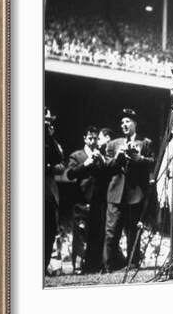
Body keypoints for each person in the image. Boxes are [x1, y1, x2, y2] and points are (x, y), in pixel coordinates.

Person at [102, 109, 155, 272]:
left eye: (127, 121)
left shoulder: (145, 143)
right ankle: (108, 266)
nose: (124, 125)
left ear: (135, 124)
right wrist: (118, 157)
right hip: (116, 193)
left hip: (135, 193)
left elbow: (153, 161)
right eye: (122, 122)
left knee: (133, 232)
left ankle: (133, 263)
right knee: (112, 232)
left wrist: (140, 159)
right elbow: (106, 167)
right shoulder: (113, 144)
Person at [65, 126, 107, 273]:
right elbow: (70, 174)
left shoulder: (100, 155)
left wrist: (100, 160)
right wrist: (86, 163)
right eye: (90, 138)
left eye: (96, 138)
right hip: (81, 201)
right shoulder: (76, 156)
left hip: (97, 202)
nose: (93, 141)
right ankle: (78, 266)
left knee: (96, 234)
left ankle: (93, 265)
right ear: (85, 138)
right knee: (80, 236)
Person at [44, 107, 64, 275]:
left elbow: (58, 158)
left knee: (49, 228)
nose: (47, 123)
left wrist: (49, 136)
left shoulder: (50, 140)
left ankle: (42, 267)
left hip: (47, 189)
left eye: (49, 121)